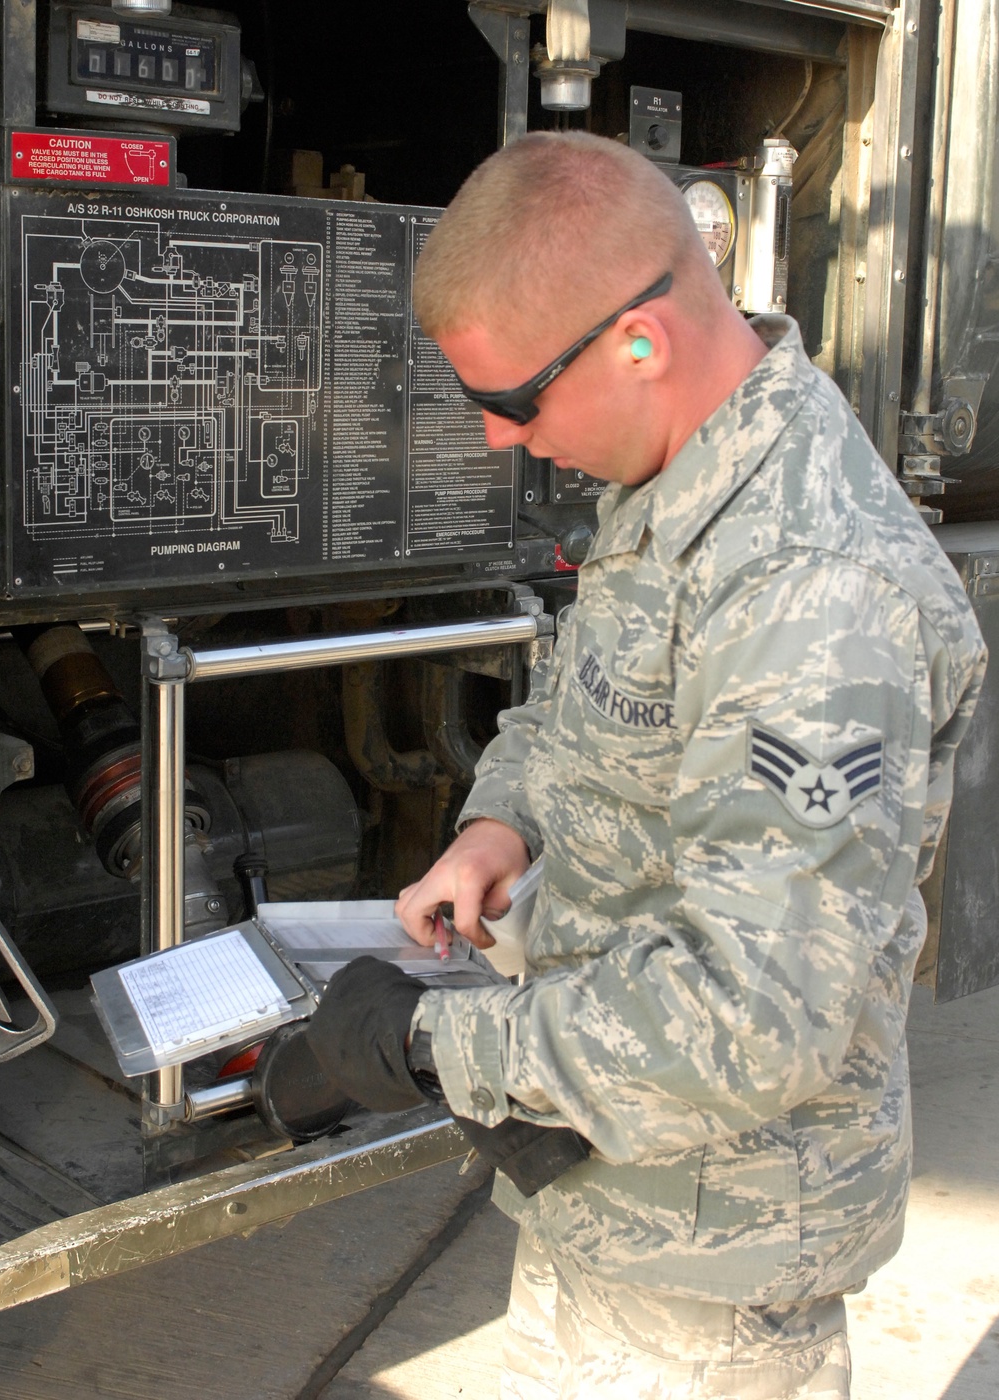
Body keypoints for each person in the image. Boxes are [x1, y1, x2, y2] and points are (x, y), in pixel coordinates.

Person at [264, 132, 986, 1397]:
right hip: (612, 1177)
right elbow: (587, 703)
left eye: (511, 405)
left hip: (717, 1257)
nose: (498, 443)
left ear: (638, 340)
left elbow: (754, 1018)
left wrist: (432, 1043)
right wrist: (501, 825)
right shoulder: (677, 466)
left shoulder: (814, 595)